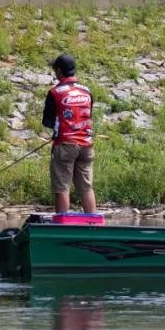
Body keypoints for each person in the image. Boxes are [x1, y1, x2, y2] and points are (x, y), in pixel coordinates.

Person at [42, 54, 96, 214]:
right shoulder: (87, 91)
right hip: (86, 145)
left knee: (62, 187)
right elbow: (87, 115)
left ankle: (62, 225)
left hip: (65, 145)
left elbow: (47, 121)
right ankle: (93, 222)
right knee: (86, 187)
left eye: (54, 69)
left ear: (59, 71)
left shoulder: (55, 92)